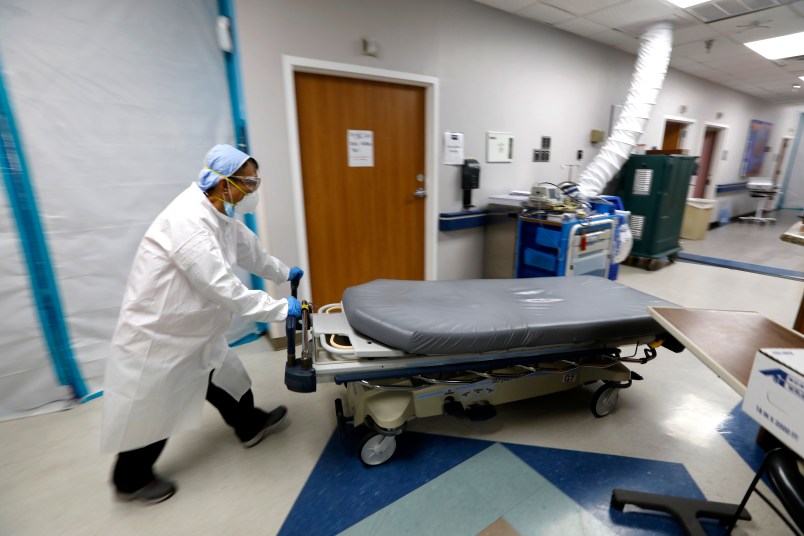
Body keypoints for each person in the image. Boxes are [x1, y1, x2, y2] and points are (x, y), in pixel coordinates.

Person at [100, 144, 303, 505]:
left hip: (196, 328)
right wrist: (277, 309)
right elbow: (225, 288)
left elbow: (250, 251)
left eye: (256, 181)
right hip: (161, 334)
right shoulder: (189, 223)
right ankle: (129, 480)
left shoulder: (220, 213)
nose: (254, 189)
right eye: (249, 182)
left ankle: (250, 425)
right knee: (155, 410)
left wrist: (283, 272)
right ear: (225, 184)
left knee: (229, 377)